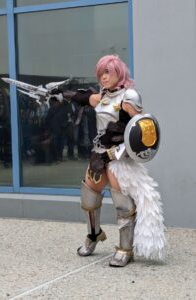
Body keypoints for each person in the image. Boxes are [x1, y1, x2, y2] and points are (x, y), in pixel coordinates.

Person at [58, 55, 165, 267]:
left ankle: (126, 249)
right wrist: (59, 94)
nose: (104, 77)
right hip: (99, 154)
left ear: (119, 74)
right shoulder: (103, 96)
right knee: (89, 198)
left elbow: (143, 129)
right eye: (101, 74)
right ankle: (94, 234)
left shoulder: (129, 97)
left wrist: (120, 152)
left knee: (122, 204)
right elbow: (84, 98)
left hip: (119, 158)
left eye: (108, 72)